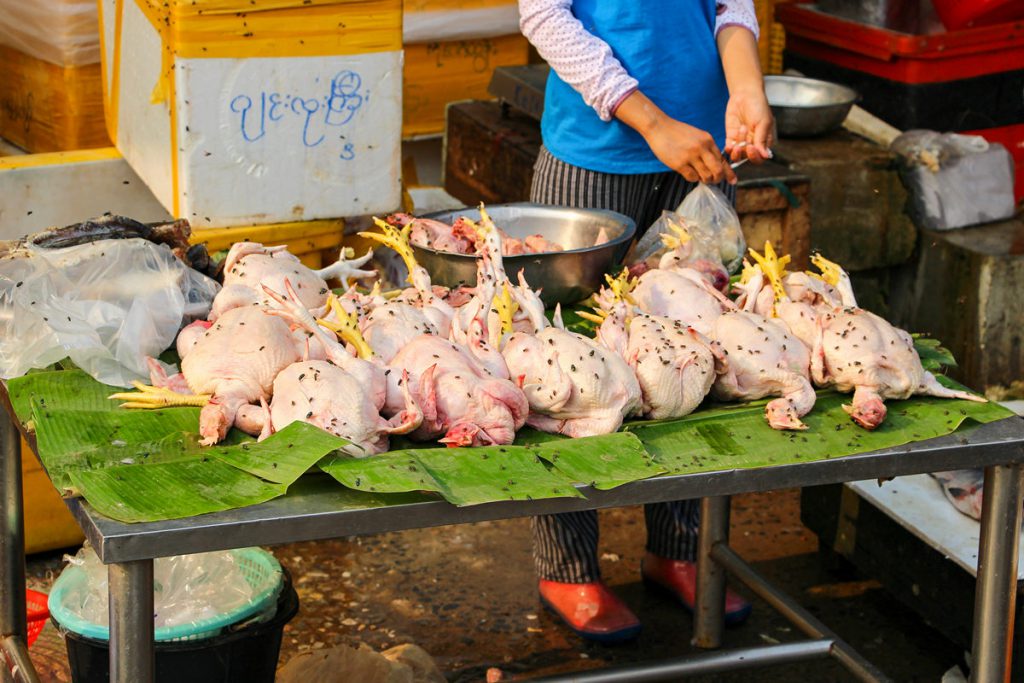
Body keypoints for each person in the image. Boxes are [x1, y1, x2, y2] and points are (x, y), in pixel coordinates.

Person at [519, 0, 774, 642]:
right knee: (570, 366)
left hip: (702, 151)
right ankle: (568, 566)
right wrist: (654, 122)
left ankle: (681, 548)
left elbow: (729, 4)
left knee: (701, 351)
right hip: (596, 156)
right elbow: (544, 16)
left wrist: (746, 88)